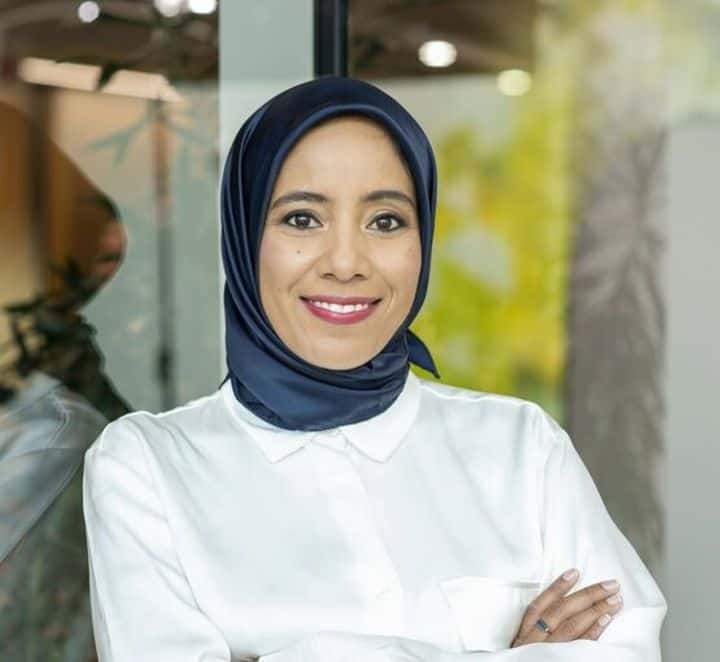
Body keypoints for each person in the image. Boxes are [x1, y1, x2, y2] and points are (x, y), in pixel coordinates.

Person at [81, 76, 667, 662]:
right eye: (302, 219)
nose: (345, 263)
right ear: (243, 235)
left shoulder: (521, 447)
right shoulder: (147, 468)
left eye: (385, 221)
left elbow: (627, 648)